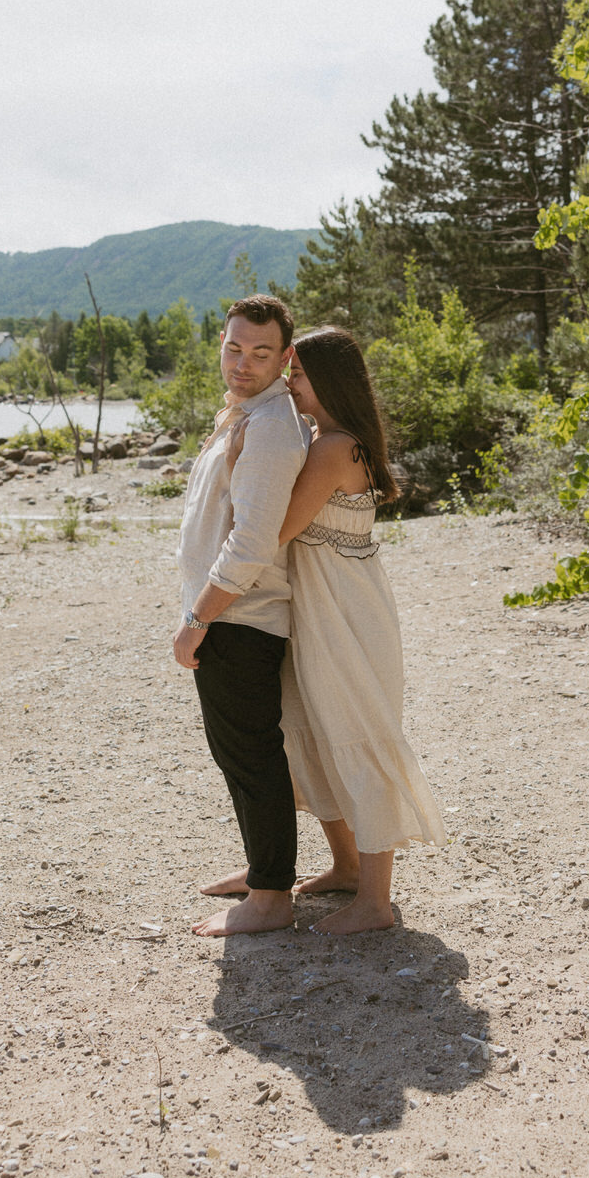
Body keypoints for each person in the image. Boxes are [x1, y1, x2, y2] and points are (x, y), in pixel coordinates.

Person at [277, 326, 446, 934]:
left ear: (327, 381)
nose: (287, 383)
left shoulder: (331, 449)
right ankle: (347, 868)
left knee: (356, 731)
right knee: (319, 730)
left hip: (343, 612)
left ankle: (375, 901)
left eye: (296, 374)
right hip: (336, 603)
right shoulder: (333, 439)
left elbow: (280, 529)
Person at [173, 294, 311, 937]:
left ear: (286, 359)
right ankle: (264, 872)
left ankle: (272, 898)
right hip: (230, 615)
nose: (243, 362)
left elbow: (254, 542)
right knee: (236, 752)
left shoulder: (271, 424)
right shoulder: (245, 415)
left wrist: (198, 619)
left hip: (240, 617)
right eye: (234, 347)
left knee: (250, 753)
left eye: (261, 353)